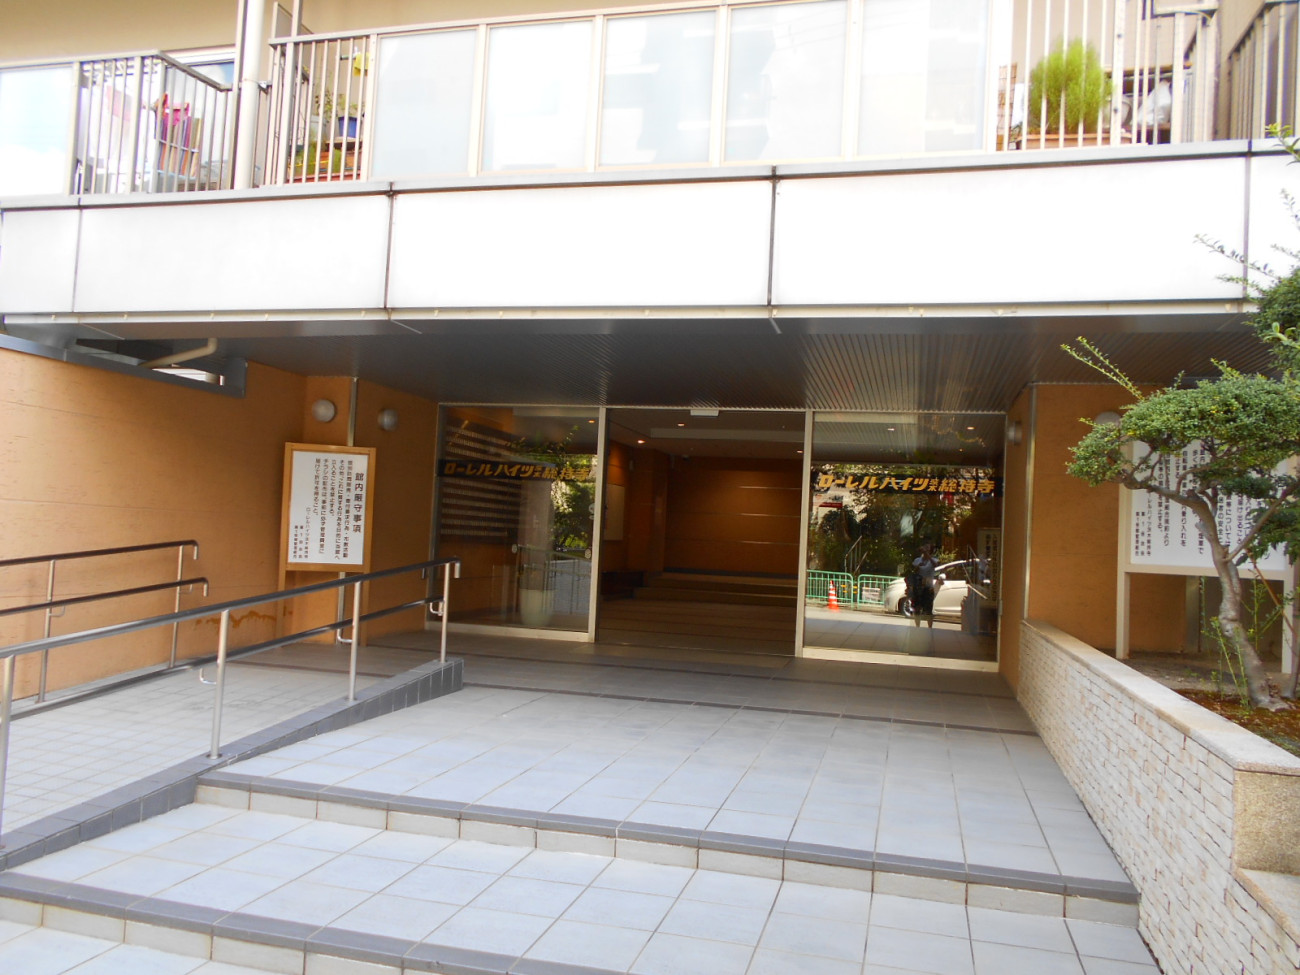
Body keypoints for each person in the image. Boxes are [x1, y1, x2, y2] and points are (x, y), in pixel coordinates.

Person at [908, 543, 941, 627]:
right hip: (918, 587)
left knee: (929, 609)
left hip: (928, 587)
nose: (925, 549)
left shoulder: (934, 560)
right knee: (917, 608)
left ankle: (930, 628)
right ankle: (917, 627)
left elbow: (935, 566)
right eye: (924, 547)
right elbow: (913, 571)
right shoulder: (917, 560)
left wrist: (928, 556)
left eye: (927, 548)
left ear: (931, 550)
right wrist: (918, 566)